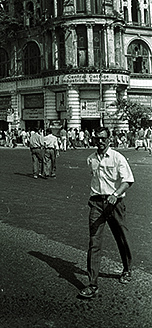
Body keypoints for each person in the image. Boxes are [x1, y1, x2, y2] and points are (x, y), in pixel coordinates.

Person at [78, 126, 134, 299]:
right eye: (97, 138)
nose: (100, 141)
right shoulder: (91, 159)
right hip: (96, 204)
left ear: (109, 139)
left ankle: (127, 269)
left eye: (103, 138)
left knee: (121, 237)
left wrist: (115, 194)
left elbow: (128, 181)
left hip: (115, 203)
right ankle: (92, 284)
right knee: (94, 242)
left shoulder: (118, 158)